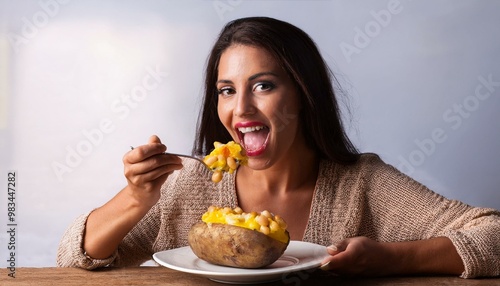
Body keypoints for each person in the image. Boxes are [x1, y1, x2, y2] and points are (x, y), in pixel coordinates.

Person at [57, 17, 500, 278]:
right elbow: (74, 259)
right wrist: (136, 197)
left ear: (304, 94)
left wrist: (387, 258)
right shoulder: (189, 184)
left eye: (263, 86)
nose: (241, 108)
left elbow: (493, 235)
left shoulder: (363, 183)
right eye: (226, 90)